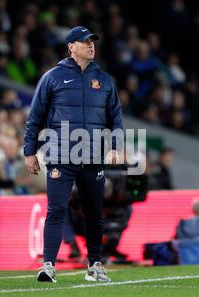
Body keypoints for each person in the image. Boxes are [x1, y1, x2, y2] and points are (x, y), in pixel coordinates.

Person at [24, 26, 122, 283]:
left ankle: (95, 266)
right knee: (56, 210)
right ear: (71, 47)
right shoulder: (52, 77)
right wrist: (30, 152)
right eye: (85, 41)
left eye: (93, 41)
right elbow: (35, 117)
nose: (91, 45)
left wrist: (114, 147)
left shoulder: (105, 81)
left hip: (94, 157)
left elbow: (116, 120)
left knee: (94, 212)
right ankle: (48, 266)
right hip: (60, 156)